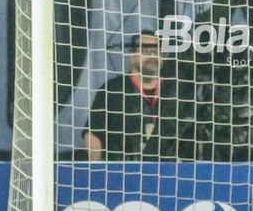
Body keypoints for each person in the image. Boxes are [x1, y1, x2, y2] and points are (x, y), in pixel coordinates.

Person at [83, 30, 195, 161]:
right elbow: (93, 133)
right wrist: (95, 170)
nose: (152, 56)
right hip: (122, 172)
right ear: (132, 56)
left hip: (168, 174)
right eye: (146, 51)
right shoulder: (113, 90)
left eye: (157, 52)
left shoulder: (175, 92)